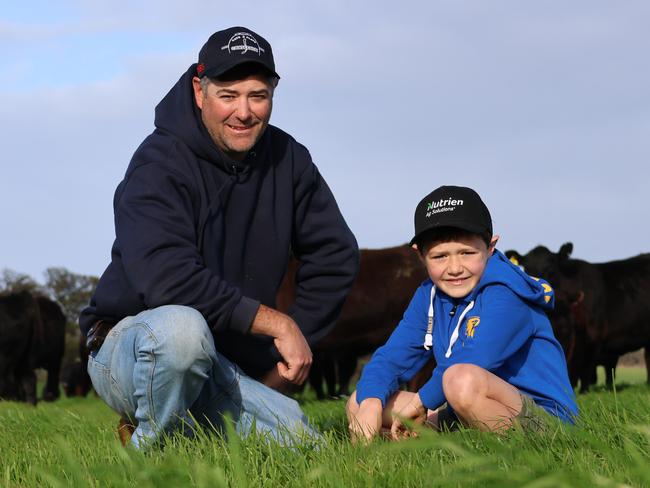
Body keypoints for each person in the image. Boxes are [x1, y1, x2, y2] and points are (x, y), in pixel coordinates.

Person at [79, 26, 359, 448]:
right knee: (182, 332)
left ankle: (185, 426)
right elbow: (166, 278)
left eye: (258, 95)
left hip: (224, 362)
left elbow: (335, 256)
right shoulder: (158, 163)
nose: (244, 112)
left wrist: (292, 342)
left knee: (304, 447)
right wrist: (276, 322)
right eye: (228, 95)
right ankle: (150, 456)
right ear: (199, 90)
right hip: (132, 346)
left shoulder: (290, 160)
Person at [346, 185, 577, 441]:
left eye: (467, 253)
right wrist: (370, 404)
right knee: (362, 398)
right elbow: (392, 357)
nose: (454, 268)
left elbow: (477, 357)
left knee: (460, 379)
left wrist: (421, 403)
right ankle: (431, 442)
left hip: (543, 419)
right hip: (461, 407)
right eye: (439, 256)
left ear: (491, 246)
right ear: (420, 255)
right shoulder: (429, 295)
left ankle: (525, 450)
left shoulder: (508, 292)